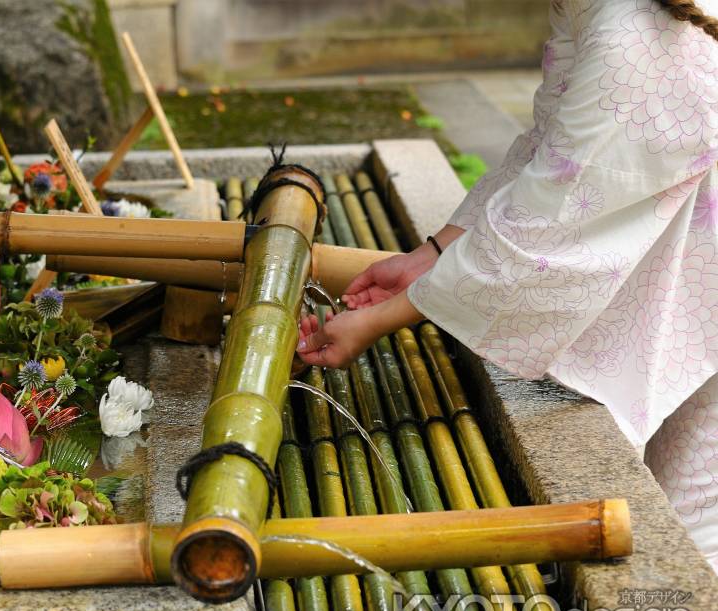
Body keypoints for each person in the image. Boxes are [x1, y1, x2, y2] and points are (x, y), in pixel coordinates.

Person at [298, 0, 718, 572]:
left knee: (694, 511)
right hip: (688, 253)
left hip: (700, 268)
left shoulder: (635, 34)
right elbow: (549, 143)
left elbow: (555, 212)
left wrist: (381, 318)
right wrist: (435, 253)